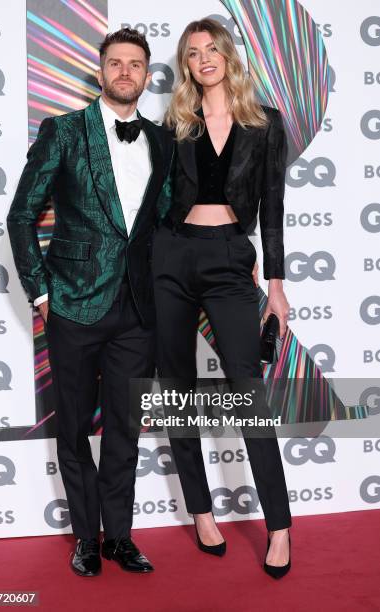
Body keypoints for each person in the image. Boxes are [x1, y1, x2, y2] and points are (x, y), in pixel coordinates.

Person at [7, 28, 173, 577]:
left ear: (147, 75)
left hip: (138, 309)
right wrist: (40, 292)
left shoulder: (162, 140)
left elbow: (165, 223)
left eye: (135, 64)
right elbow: (21, 215)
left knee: (126, 429)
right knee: (75, 428)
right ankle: (84, 537)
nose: (125, 72)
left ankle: (120, 537)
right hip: (72, 305)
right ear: (100, 71)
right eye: (115, 63)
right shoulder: (64, 131)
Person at [152, 18, 292, 579]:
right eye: (193, 53)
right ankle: (202, 511)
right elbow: (155, 200)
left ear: (228, 56)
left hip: (231, 257)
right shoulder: (175, 123)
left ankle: (279, 527)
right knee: (177, 390)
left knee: (246, 392)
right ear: (186, 66)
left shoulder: (265, 124)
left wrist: (275, 287)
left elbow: (274, 208)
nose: (203, 58)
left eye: (212, 49)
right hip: (171, 256)